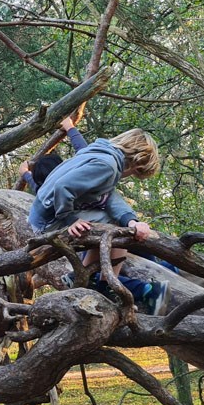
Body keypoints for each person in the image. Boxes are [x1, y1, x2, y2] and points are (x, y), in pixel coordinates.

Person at [27, 128, 171, 315]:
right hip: (50, 220)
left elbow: (109, 196)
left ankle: (89, 279)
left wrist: (131, 221)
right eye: (135, 173)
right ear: (136, 162)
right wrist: (71, 219)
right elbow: (62, 187)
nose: (129, 176)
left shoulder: (102, 154)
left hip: (45, 215)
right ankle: (106, 286)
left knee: (116, 224)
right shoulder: (107, 165)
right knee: (116, 229)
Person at [19, 117, 89, 193]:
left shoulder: (48, 196)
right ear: (62, 165)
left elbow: (41, 188)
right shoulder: (83, 178)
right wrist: (70, 127)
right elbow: (85, 153)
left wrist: (26, 174)